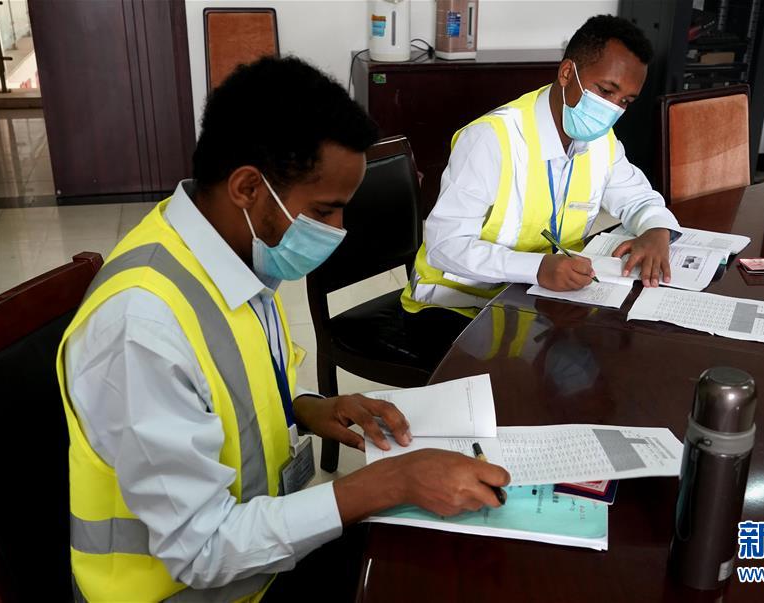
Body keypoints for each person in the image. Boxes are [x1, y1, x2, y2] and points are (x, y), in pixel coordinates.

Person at [57, 56, 510, 602]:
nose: (339, 230)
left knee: (452, 557)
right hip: (187, 591)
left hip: (257, 560)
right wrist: (391, 481)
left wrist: (310, 408)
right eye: (324, 211)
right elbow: (201, 551)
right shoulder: (141, 328)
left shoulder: (229, 250)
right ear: (248, 187)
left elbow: (226, 388)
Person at [401, 15, 682, 361]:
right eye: (606, 91)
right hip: (455, 304)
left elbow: (638, 197)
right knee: (536, 380)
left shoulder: (600, 140)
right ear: (567, 74)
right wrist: (535, 267)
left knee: (618, 355)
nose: (612, 109)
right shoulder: (491, 139)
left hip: (534, 301)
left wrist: (656, 230)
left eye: (625, 101)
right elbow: (444, 247)